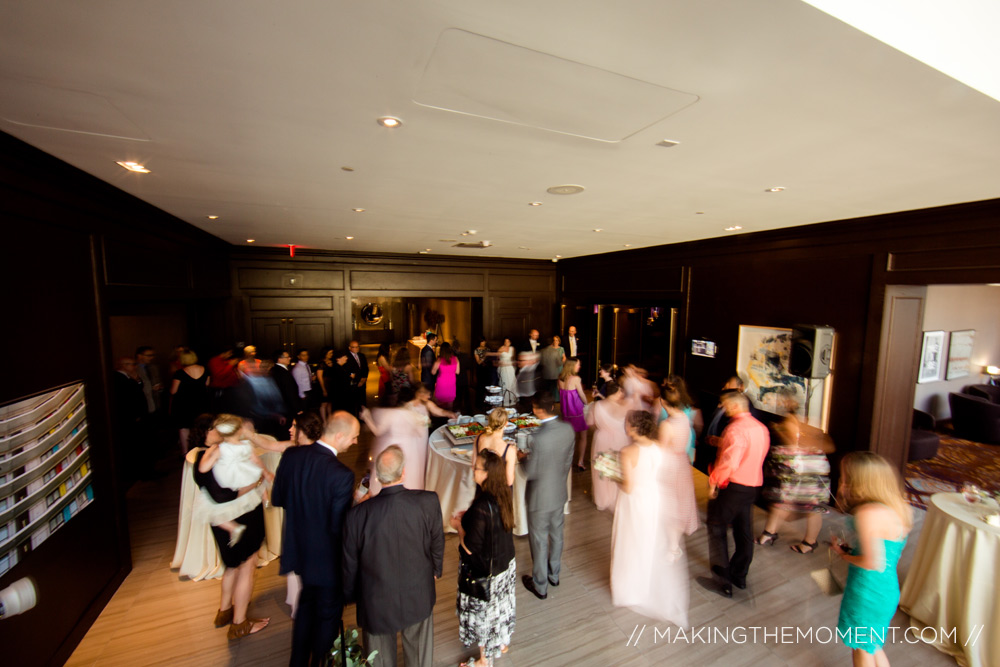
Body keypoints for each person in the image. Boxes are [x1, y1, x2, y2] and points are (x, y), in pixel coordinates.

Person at [343, 446, 444, 667]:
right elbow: (437, 539)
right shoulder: (428, 501)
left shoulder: (357, 516)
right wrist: (435, 569)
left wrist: (351, 595)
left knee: (379, 660)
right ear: (403, 472)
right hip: (418, 593)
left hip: (375, 600)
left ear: (377, 476)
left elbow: (349, 563)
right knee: (419, 658)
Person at [271, 411, 359, 667]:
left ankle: (297, 662)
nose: (354, 443)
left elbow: (278, 499)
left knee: (306, 606)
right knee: (327, 619)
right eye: (353, 438)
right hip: (327, 562)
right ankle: (321, 662)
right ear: (340, 435)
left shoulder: (292, 456)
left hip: (298, 551)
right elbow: (337, 527)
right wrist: (358, 508)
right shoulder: (341, 475)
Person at [611, 411, 695, 626]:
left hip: (634, 503)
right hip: (654, 500)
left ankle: (630, 590)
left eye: (627, 424)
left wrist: (612, 475)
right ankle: (646, 584)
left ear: (633, 428)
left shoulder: (628, 451)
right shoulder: (659, 448)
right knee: (648, 542)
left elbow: (628, 487)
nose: (625, 426)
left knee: (631, 542)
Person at [191, 415, 270, 640]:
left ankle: (225, 611)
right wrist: (255, 483)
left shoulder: (201, 458)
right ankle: (240, 623)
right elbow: (225, 496)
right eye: (214, 429)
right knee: (248, 566)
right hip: (241, 518)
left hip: (223, 523)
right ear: (206, 432)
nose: (220, 433)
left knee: (232, 567)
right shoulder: (213, 455)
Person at [832, 452, 912, 667]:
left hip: (867, 590)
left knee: (861, 650)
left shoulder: (867, 513)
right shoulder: (898, 507)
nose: (842, 481)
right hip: (886, 590)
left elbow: (872, 562)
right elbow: (885, 549)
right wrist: (853, 549)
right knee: (872, 645)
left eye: (846, 477)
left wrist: (844, 555)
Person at [453, 450, 516, 667]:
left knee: (485, 615)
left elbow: (469, 547)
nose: (473, 469)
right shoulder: (504, 493)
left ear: (487, 473)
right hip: (505, 563)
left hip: (486, 571)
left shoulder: (481, 506)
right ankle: (502, 643)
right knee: (500, 607)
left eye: (477, 467)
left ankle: (483, 661)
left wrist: (458, 527)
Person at [703, 392, 770, 598]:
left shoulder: (735, 428)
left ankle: (722, 580)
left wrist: (713, 480)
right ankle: (739, 575)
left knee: (716, 527)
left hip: (733, 486)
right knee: (743, 530)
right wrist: (720, 442)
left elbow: (730, 463)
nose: (723, 409)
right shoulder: (760, 427)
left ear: (733, 406)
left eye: (724, 405)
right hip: (752, 485)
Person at [756, 388, 833, 553]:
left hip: (801, 470)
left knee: (802, 505)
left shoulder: (792, 421)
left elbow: (793, 444)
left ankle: (805, 542)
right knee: (786, 502)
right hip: (806, 468)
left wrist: (778, 430)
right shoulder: (804, 420)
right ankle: (771, 534)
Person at [519, 392, 574, 600]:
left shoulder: (537, 438)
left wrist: (522, 458)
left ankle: (540, 586)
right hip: (559, 492)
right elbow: (568, 460)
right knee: (557, 535)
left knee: (539, 539)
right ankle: (554, 575)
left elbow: (530, 472)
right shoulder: (568, 429)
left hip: (539, 497)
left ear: (538, 410)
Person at [194, 414, 274, 547]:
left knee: (209, 509)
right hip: (245, 477)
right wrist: (266, 473)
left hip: (229, 480)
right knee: (255, 477)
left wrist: (209, 452)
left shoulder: (220, 449)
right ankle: (265, 497)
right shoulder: (246, 445)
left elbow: (203, 468)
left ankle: (233, 527)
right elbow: (256, 461)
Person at [361, 385, 455, 495]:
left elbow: (378, 431)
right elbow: (419, 430)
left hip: (401, 444)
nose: (429, 396)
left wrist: (367, 416)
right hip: (410, 445)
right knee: (409, 471)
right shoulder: (411, 413)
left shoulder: (393, 413)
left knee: (395, 468)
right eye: (425, 393)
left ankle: (392, 492)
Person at [587, 382, 629, 512]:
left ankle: (602, 500)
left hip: (602, 439)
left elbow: (589, 423)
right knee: (618, 468)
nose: (622, 394)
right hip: (620, 440)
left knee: (602, 469)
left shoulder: (596, 406)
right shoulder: (625, 407)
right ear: (616, 392)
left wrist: (602, 429)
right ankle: (617, 497)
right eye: (620, 391)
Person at [660, 375, 702, 464]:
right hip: (682, 462)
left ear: (662, 401)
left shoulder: (667, 424)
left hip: (670, 465)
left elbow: (661, 453)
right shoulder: (684, 416)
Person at [557, 357, 589, 471]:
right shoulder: (576, 379)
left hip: (566, 411)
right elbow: (581, 395)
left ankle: (567, 461)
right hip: (577, 412)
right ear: (572, 366)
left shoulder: (560, 379)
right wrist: (588, 404)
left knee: (570, 437)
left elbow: (561, 394)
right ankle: (580, 461)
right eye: (578, 364)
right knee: (583, 437)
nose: (579, 366)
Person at [473, 407, 517, 487]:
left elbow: (474, 466)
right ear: (506, 424)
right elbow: (509, 481)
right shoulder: (509, 450)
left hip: (482, 487)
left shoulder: (479, 438)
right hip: (500, 492)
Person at [271, 349, 302, 439]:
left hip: (278, 407)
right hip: (286, 407)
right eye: (287, 357)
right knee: (287, 431)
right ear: (279, 359)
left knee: (281, 430)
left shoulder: (274, 370)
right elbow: (290, 392)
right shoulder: (282, 373)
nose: (289, 358)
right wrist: (297, 408)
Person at [432, 341, 460, 409]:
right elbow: (457, 372)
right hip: (451, 383)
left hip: (441, 383)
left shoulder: (439, 360)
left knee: (439, 403)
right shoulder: (456, 359)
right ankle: (449, 417)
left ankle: (440, 417)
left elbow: (433, 372)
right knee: (450, 402)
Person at [345, 340, 369, 415]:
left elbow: (366, 368)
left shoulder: (362, 356)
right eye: (354, 347)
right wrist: (357, 380)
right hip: (353, 384)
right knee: (353, 402)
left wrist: (364, 378)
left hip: (362, 382)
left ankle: (362, 416)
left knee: (362, 401)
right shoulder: (346, 357)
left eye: (357, 347)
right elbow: (347, 371)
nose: (356, 349)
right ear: (349, 348)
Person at [539, 336, 566, 400]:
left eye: (557, 340)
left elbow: (564, 358)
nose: (555, 341)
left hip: (557, 368)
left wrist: (562, 363)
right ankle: (553, 399)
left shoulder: (561, 349)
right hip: (554, 369)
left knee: (557, 384)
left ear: (559, 341)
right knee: (553, 386)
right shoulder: (552, 350)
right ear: (552, 341)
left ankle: (554, 399)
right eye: (554, 340)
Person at [473, 337, 495, 408]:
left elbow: (491, 359)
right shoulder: (476, 350)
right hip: (480, 370)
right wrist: (485, 356)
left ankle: (488, 402)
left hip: (488, 370)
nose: (484, 343)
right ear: (480, 342)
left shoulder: (488, 349)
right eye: (482, 341)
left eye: (484, 341)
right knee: (480, 386)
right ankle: (479, 404)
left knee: (488, 386)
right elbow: (478, 362)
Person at [316, 347, 337, 419]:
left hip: (331, 385)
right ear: (325, 354)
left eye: (332, 353)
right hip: (324, 385)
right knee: (324, 404)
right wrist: (323, 389)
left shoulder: (332, 361)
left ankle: (330, 418)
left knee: (330, 403)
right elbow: (319, 377)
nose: (331, 354)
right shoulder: (321, 363)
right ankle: (324, 420)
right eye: (329, 353)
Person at [496, 337, 517, 407]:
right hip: (503, 368)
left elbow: (513, 358)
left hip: (510, 367)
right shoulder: (501, 348)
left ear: (510, 342)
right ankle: (504, 400)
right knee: (504, 383)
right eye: (505, 341)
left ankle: (511, 399)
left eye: (508, 341)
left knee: (511, 383)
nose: (506, 343)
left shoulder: (512, 349)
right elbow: (497, 358)